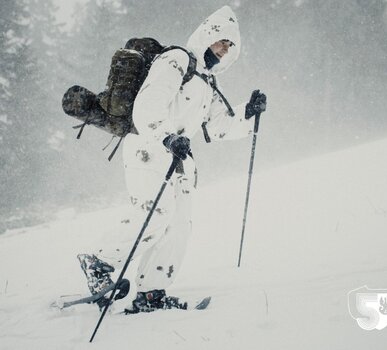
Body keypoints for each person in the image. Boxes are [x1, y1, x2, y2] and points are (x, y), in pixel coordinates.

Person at [78, 5, 266, 312]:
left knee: (179, 226)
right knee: (157, 214)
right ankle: (98, 263)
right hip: (148, 147)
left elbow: (219, 128)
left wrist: (248, 112)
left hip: (179, 158)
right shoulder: (177, 60)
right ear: (207, 34)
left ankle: (151, 294)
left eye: (229, 46)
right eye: (220, 40)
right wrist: (166, 135)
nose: (223, 49)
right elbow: (148, 104)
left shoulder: (207, 82)